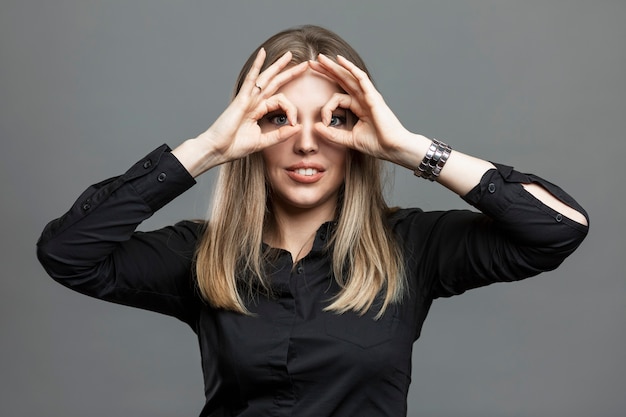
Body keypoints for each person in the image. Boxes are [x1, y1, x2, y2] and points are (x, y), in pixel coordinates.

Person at [36, 25, 589, 416]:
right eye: (278, 118)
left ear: (362, 131)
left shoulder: (411, 246)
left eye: (335, 119)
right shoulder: (203, 257)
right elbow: (67, 253)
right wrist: (205, 151)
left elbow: (559, 227)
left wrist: (411, 148)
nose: (305, 142)